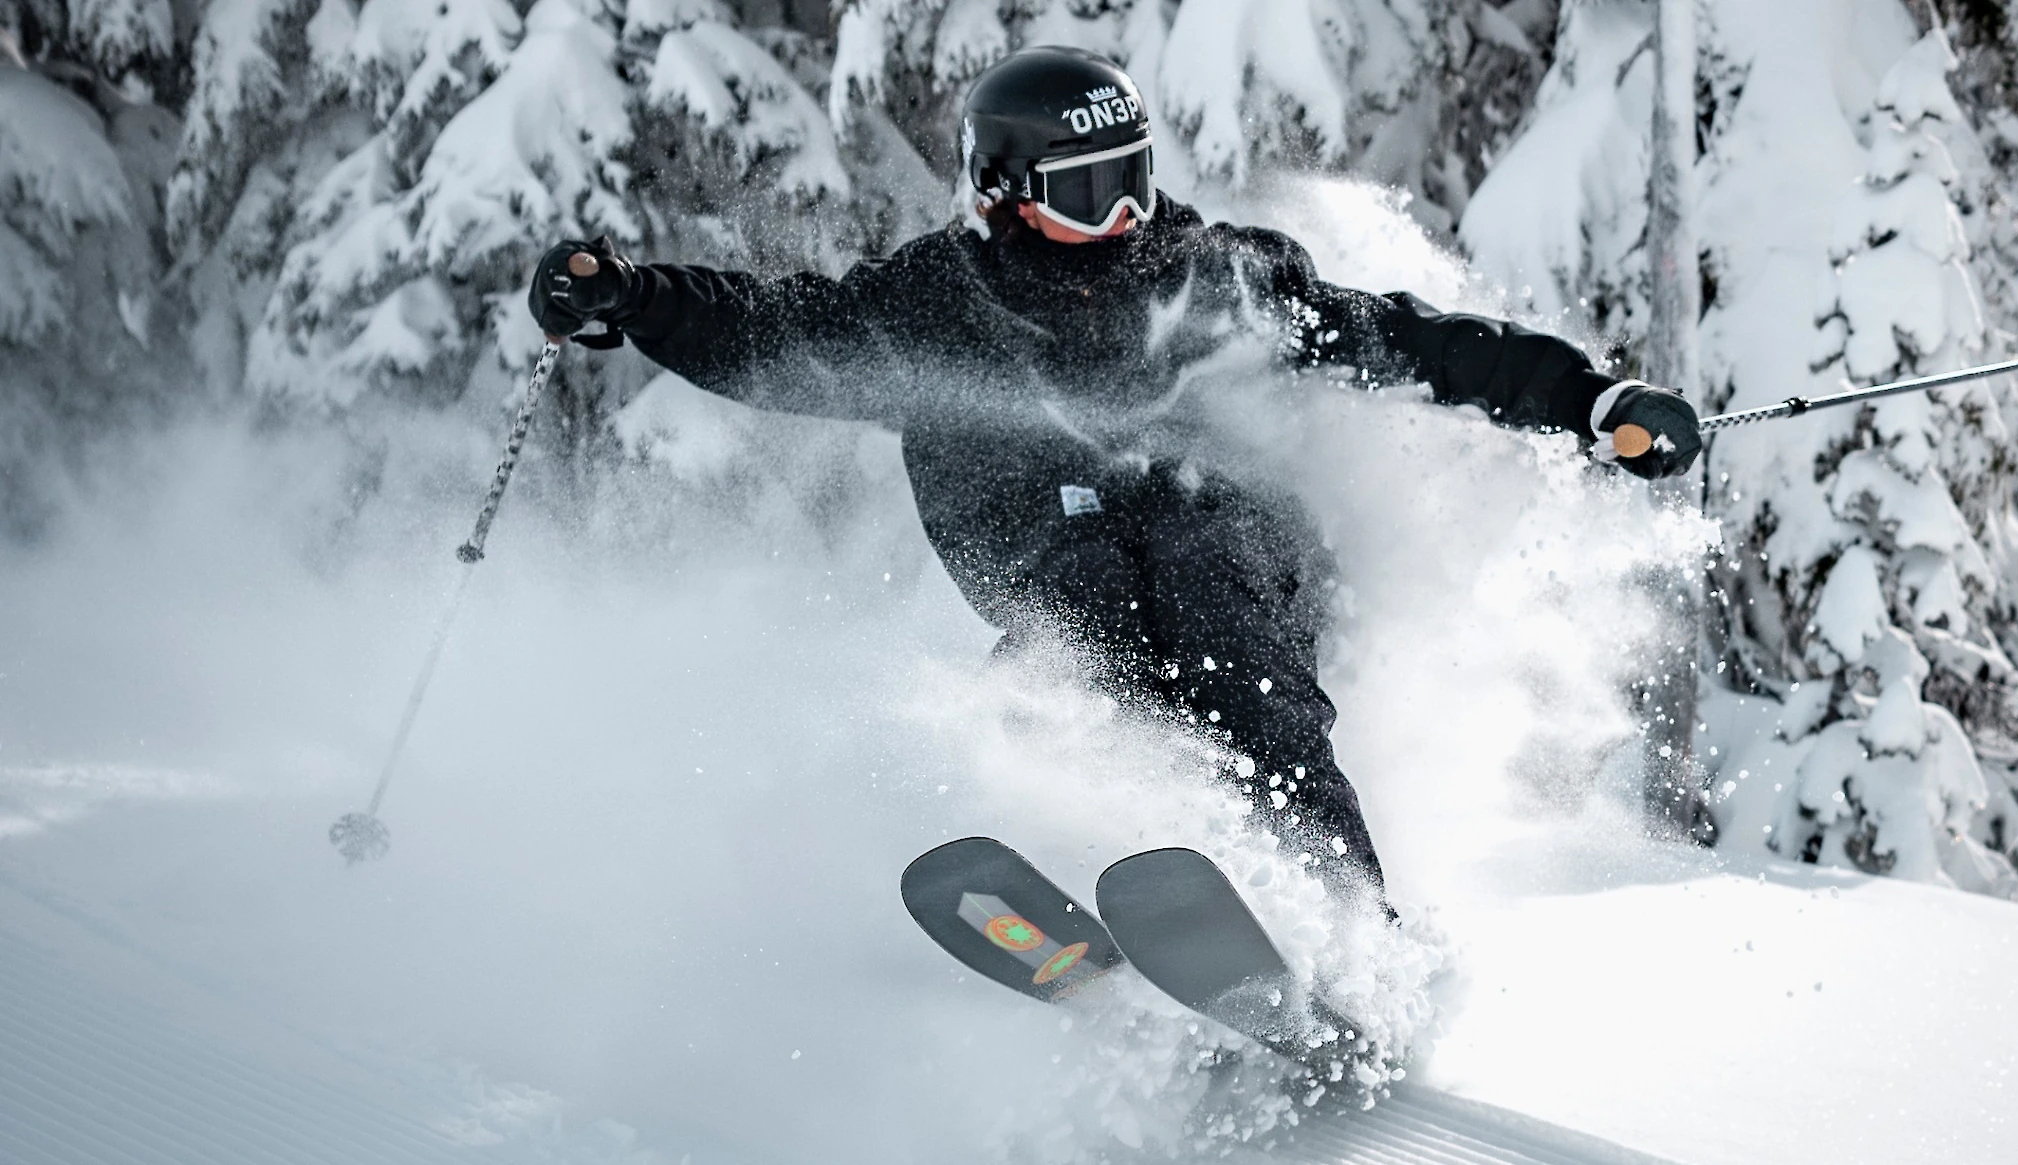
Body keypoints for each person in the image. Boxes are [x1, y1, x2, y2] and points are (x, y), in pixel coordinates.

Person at [527, 46, 1701, 909]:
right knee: (1085, 612)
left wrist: (1586, 401)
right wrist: (630, 299)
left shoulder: (1213, 277)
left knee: (1196, 562)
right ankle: (1132, 874)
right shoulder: (939, 304)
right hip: (1047, 553)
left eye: (1132, 177)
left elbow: (1416, 342)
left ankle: (1342, 907)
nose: (1126, 215)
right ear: (1003, 190)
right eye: (1089, 191)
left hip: (1237, 556)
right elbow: (777, 335)